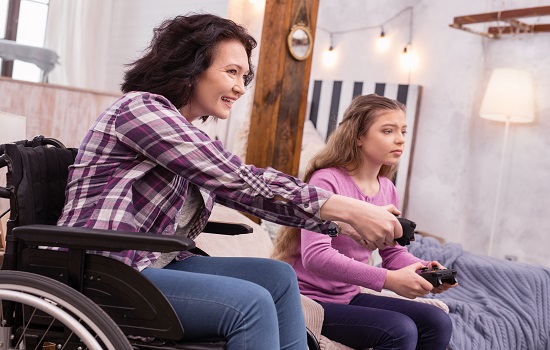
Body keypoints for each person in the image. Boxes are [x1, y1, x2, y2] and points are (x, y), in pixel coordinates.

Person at [56, 14, 406, 350]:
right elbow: (240, 181)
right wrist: (351, 209)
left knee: (278, 278)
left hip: (156, 262)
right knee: (250, 303)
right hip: (107, 267)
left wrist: (342, 222)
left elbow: (252, 196)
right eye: (231, 72)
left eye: (245, 76)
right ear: (190, 67)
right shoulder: (140, 110)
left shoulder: (190, 133)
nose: (240, 87)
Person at [272, 94, 457, 350]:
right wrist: (387, 280)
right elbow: (316, 256)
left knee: (437, 321)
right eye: (387, 130)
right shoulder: (326, 181)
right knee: (399, 331)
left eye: (403, 130)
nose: (400, 138)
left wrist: (424, 269)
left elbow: (392, 253)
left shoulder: (387, 189)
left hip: (348, 296)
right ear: (358, 137)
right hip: (309, 300)